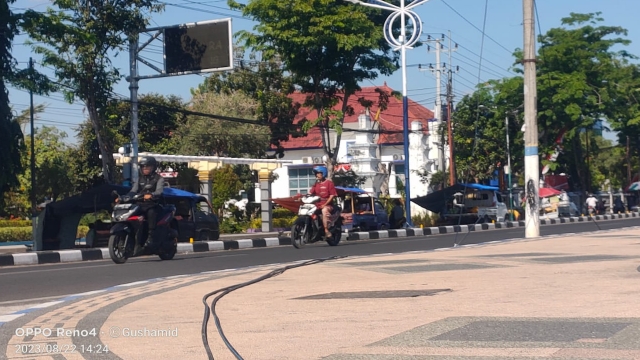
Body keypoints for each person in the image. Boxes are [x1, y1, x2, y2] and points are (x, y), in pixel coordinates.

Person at [126, 156, 165, 247]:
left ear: (153, 167)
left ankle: (151, 236)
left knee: (150, 212)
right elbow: (133, 191)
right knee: (130, 213)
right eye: (143, 166)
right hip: (140, 204)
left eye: (147, 166)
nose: (145, 168)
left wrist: (152, 195)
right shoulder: (139, 179)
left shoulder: (159, 178)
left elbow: (159, 191)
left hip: (154, 204)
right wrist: (126, 197)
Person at [308, 165, 338, 237]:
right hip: (317, 205)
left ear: (323, 173)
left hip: (328, 205)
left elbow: (332, 195)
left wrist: (325, 204)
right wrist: (301, 197)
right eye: (316, 174)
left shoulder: (329, 183)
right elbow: (310, 193)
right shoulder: (316, 184)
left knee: (324, 210)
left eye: (318, 173)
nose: (317, 175)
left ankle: (326, 229)